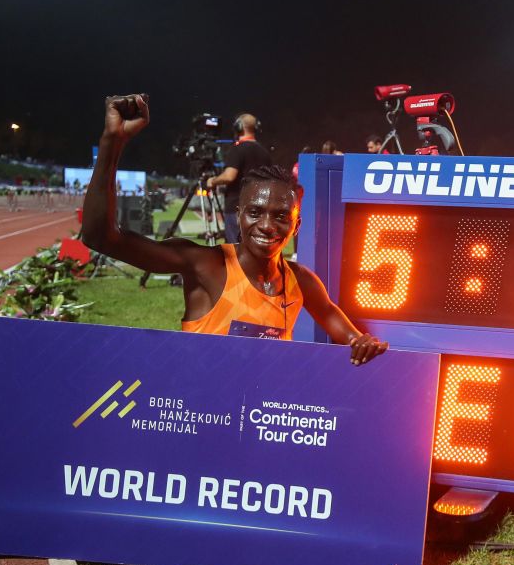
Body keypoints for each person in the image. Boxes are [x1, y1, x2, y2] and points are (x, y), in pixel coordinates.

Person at [82, 94, 388, 365]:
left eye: (281, 216)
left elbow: (335, 319)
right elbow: (101, 237)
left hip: (258, 418)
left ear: (296, 225)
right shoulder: (206, 264)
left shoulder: (301, 281)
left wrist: (359, 341)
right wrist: (112, 141)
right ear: (239, 215)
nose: (267, 226)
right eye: (255, 212)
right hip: (202, 416)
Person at [207, 113, 272, 243]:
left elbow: (229, 176)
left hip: (237, 207)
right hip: (260, 208)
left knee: (235, 248)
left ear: (239, 127)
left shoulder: (237, 150)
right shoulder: (264, 152)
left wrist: (212, 181)